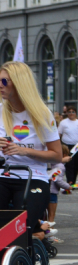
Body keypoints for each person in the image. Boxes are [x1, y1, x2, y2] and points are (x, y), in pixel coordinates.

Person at [0, 62, 63, 241]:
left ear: (19, 83)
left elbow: (57, 155)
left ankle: (30, 243)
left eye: (4, 81)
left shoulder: (41, 114)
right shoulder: (0, 111)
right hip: (3, 175)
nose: (0, 86)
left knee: (19, 228)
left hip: (33, 177)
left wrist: (24, 151)